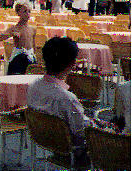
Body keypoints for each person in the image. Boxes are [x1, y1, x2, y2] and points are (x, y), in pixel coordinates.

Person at [27, 37, 109, 165]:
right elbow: (81, 130)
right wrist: (101, 127)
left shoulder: (33, 86)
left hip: (45, 139)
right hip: (74, 148)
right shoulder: (66, 98)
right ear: (71, 64)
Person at [0, 2, 36, 74]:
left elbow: (33, 45)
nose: (28, 14)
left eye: (29, 11)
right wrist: (10, 34)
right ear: (18, 13)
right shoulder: (15, 28)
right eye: (25, 11)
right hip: (18, 60)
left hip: (30, 57)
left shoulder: (32, 29)